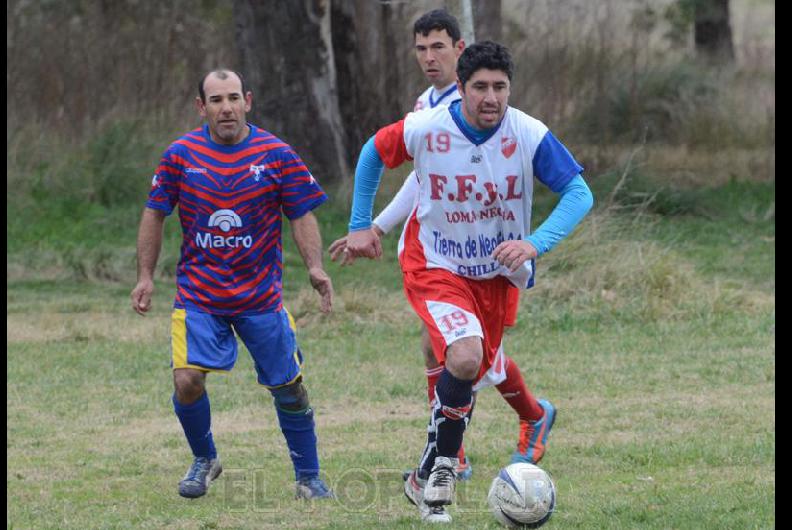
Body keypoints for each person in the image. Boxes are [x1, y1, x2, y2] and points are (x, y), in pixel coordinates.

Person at [343, 42, 593, 523]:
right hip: (436, 264)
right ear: (460, 89)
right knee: (464, 355)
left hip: (496, 277)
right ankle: (439, 482)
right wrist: (361, 223)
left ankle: (424, 475)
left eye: (500, 87)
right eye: (480, 87)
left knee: (469, 372)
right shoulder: (427, 129)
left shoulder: (528, 133)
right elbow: (374, 152)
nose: (491, 97)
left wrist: (534, 243)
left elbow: (578, 194)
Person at [329, 8, 532, 492]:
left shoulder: (487, 107)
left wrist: (373, 224)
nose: (428, 57)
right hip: (437, 255)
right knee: (450, 349)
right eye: (420, 49)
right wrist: (373, 225)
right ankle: (447, 456)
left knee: (473, 355)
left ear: (459, 51)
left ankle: (531, 413)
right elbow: (420, 181)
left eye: (438, 47)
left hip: (490, 258)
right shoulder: (427, 107)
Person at [130, 69, 335, 501]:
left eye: (233, 98)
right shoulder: (180, 155)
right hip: (200, 295)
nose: (226, 107)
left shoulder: (276, 154)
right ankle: (205, 459)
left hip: (261, 297)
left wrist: (314, 268)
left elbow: (301, 213)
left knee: (288, 386)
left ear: (248, 101)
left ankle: (308, 477)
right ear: (201, 107)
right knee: (186, 381)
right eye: (216, 100)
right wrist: (145, 276)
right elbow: (154, 212)